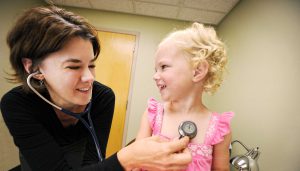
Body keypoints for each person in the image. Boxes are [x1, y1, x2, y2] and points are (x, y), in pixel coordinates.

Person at [0, 5, 192, 171]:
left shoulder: (102, 97)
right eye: (74, 66)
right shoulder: (16, 104)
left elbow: (93, 160)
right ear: (34, 67)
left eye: (91, 65)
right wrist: (128, 158)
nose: (89, 78)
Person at [135, 22, 234, 171]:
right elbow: (135, 162)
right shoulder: (153, 115)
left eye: (164, 67)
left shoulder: (219, 129)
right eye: (156, 69)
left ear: (197, 71)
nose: (155, 76)